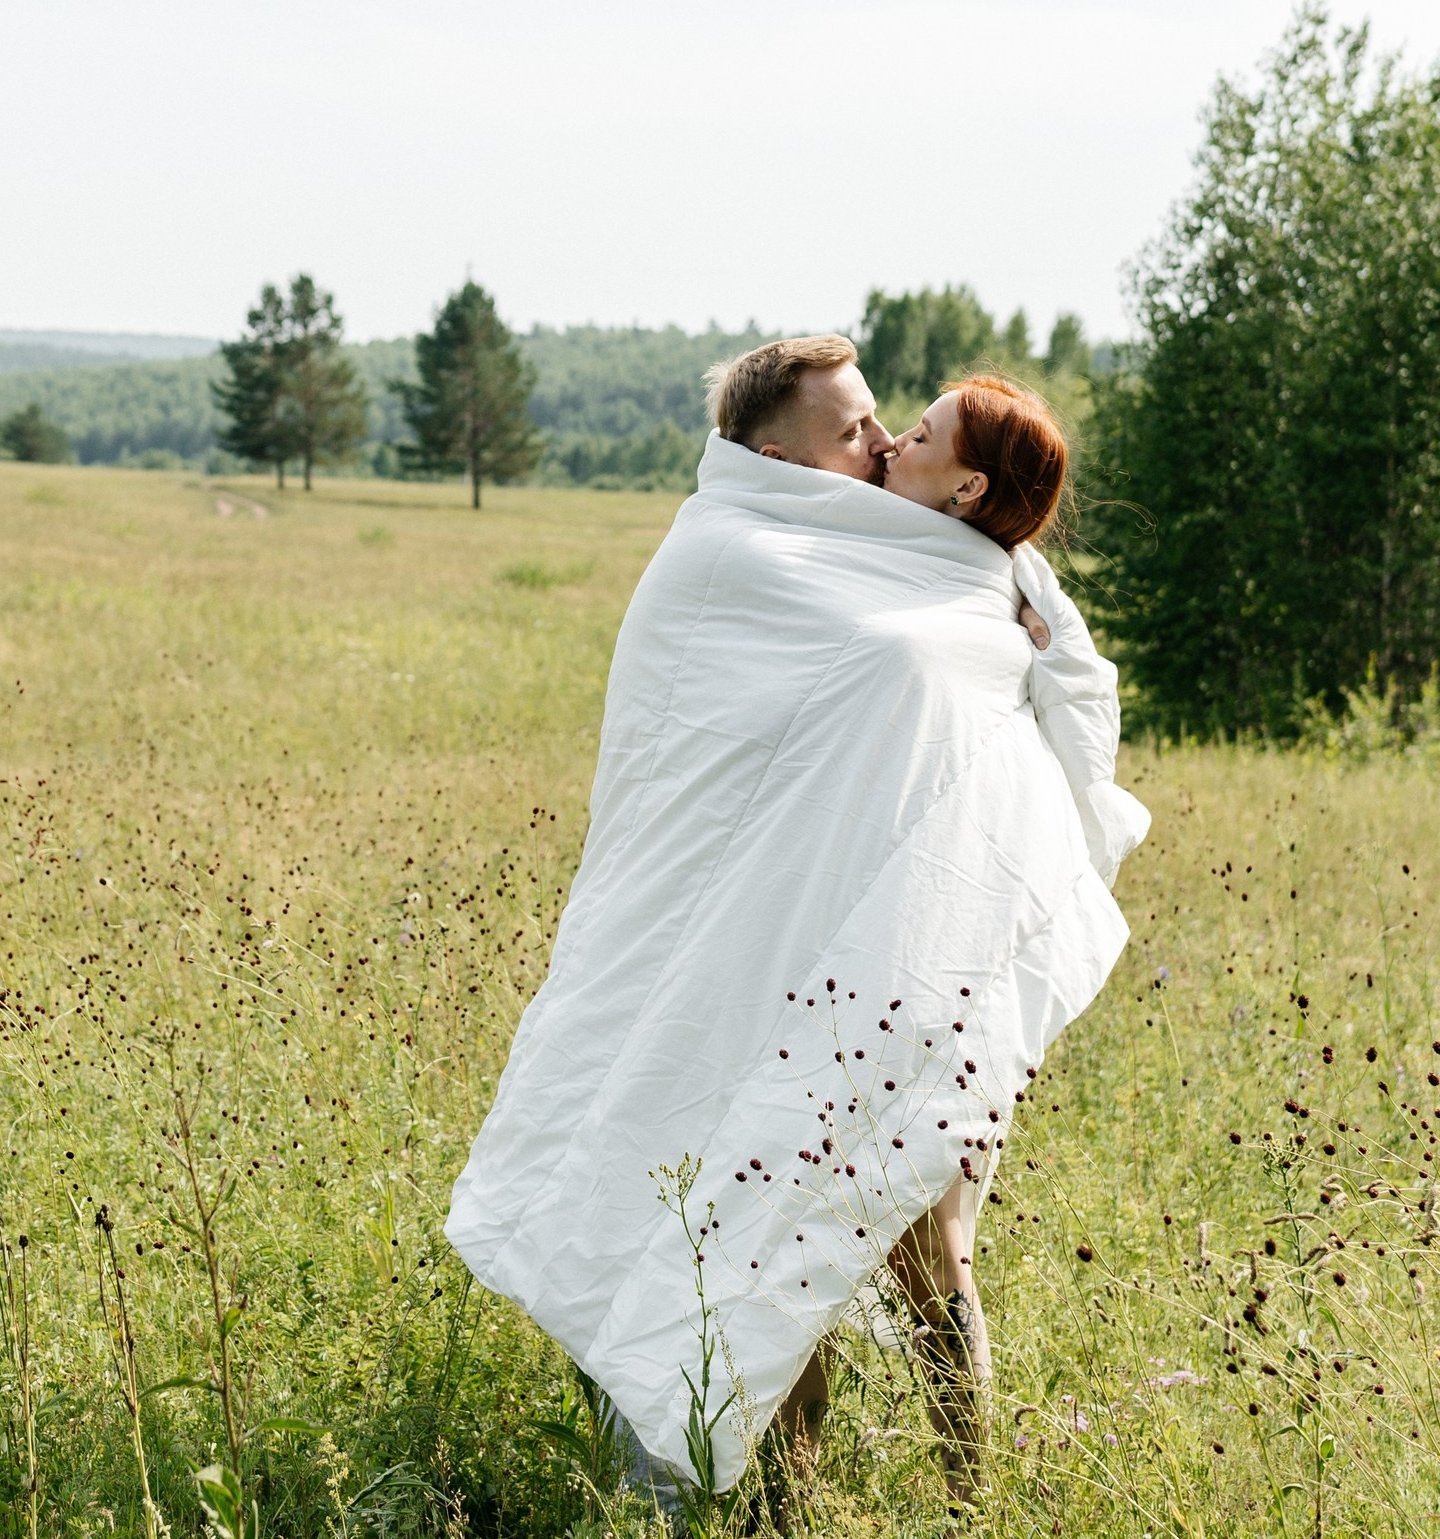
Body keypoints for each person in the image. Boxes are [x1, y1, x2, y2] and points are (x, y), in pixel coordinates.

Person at [444, 336, 1146, 1519]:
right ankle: (788, 1508)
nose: (881, 443)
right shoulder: (738, 554)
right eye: (859, 428)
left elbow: (1027, 741)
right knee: (787, 1247)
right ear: (778, 459)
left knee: (933, 1264)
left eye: (903, 429)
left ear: (969, 489)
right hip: (780, 978)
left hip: (912, 978)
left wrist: (1017, 655)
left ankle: (971, 1502)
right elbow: (699, 774)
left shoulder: (977, 585)